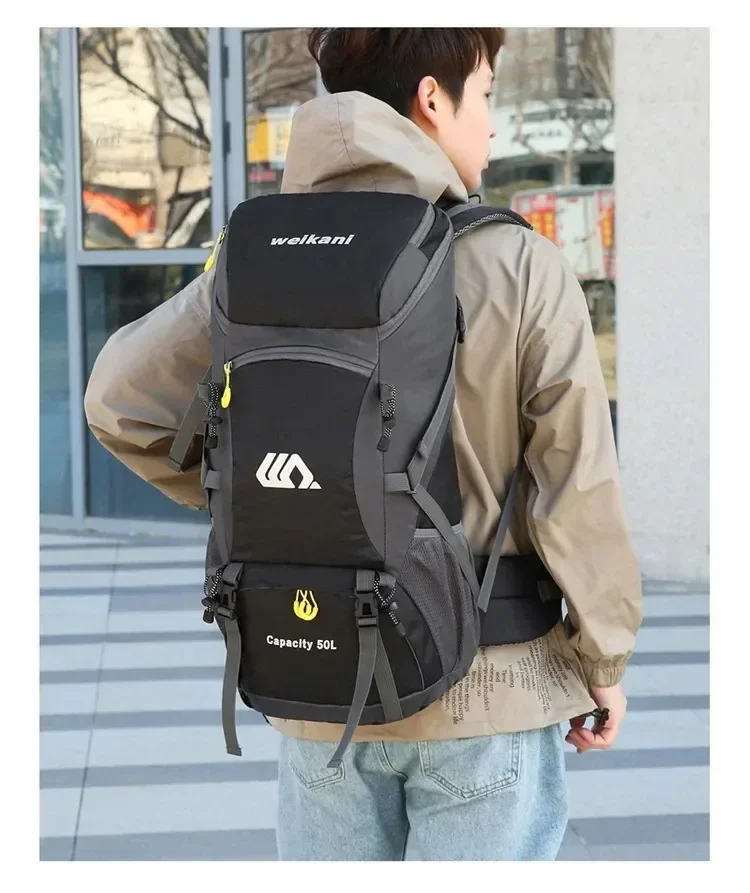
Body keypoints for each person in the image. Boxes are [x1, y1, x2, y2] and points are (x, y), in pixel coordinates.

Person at [84, 27, 642, 862]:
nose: (492, 123)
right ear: (431, 98)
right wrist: (603, 655)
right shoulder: (519, 262)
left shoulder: (259, 257)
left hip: (318, 681)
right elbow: (577, 487)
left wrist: (271, 496)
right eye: (486, 94)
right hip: (487, 689)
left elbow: (117, 400)